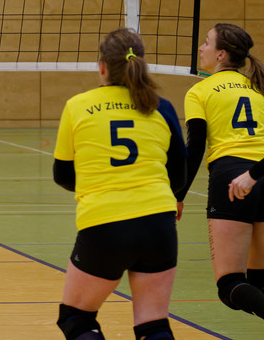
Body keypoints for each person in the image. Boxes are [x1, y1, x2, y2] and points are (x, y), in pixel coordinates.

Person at [52, 28, 186, 340]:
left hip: (104, 223)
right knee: (153, 324)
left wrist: (98, 182)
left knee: (76, 318)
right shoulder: (161, 106)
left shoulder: (77, 105)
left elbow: (63, 175)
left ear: (102, 67)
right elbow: (178, 175)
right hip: (158, 222)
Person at [207, 14, 264, 339]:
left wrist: (254, 176)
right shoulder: (263, 87)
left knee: (230, 283)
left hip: (242, 176)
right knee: (263, 278)